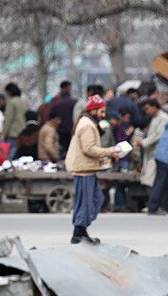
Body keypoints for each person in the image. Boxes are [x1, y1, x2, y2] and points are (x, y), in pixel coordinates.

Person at [65, 95, 119, 244]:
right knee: (86, 202)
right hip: (83, 170)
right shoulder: (87, 125)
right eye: (101, 111)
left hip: (87, 168)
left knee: (94, 199)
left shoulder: (87, 122)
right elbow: (89, 149)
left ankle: (81, 231)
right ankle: (78, 233)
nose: (103, 114)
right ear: (94, 110)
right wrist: (110, 151)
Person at [137, 99, 168, 189]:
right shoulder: (155, 118)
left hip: (157, 153)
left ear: (154, 107)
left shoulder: (164, 117)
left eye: (148, 109)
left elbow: (158, 135)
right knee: (147, 179)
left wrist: (143, 142)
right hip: (150, 152)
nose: (147, 111)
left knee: (150, 180)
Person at [49, 80, 77, 155]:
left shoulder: (56, 103)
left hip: (61, 131)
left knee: (63, 152)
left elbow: (51, 114)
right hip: (73, 131)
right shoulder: (74, 102)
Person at [2, 82, 28, 157]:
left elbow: (8, 120)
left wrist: (4, 134)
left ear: (9, 92)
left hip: (13, 134)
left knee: (11, 157)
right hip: (23, 133)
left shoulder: (12, 102)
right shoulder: (24, 101)